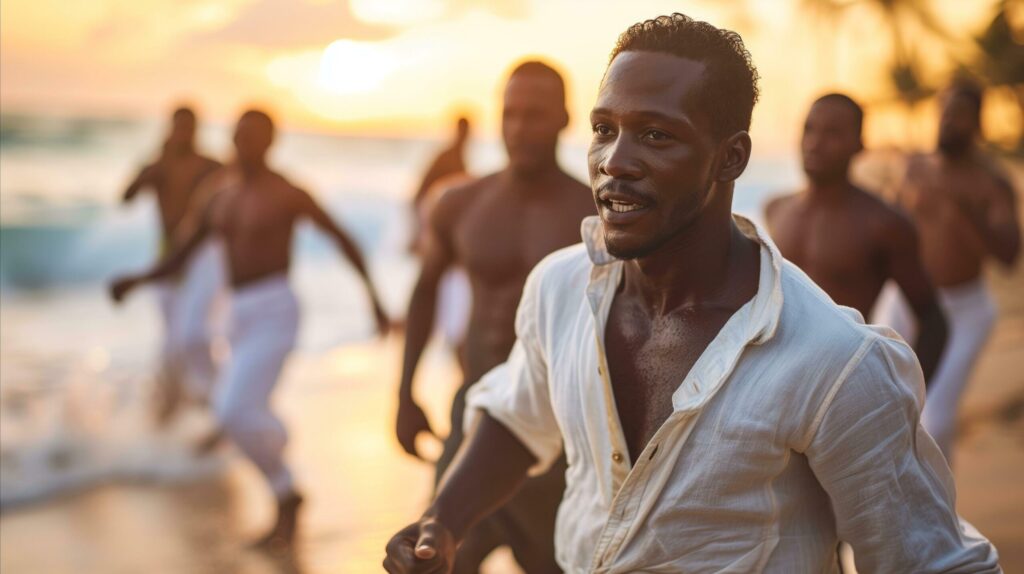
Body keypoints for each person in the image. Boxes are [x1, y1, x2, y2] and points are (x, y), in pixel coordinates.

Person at [384, 14, 1000, 573]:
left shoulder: (835, 362)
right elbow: (520, 417)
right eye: (606, 129)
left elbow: (934, 562)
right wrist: (444, 519)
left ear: (729, 159)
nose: (614, 162)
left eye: (656, 135)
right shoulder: (561, 286)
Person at [111, 109, 389, 550]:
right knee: (235, 409)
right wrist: (139, 279)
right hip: (236, 315)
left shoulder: (287, 193)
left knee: (232, 412)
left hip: (275, 311)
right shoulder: (218, 196)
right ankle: (278, 451)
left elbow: (342, 238)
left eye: (254, 137)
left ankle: (286, 492)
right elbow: (181, 254)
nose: (245, 145)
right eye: (239, 136)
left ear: (271, 142)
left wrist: (374, 299)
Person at [394, 62, 594, 572]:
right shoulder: (461, 203)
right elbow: (424, 292)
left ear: (565, 118)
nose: (519, 128)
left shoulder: (593, 214)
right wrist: (404, 393)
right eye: (510, 114)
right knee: (436, 555)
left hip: (557, 433)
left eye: (535, 114)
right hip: (473, 412)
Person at [880, 82, 1021, 462]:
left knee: (936, 420)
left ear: (977, 125)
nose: (947, 122)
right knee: (884, 403)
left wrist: (966, 209)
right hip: (908, 300)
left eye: (958, 116)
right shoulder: (915, 168)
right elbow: (891, 229)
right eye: (943, 113)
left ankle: (935, 517)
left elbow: (1009, 255)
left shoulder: (990, 182)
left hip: (965, 310)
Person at [765, 93, 947, 383]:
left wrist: (905, 396)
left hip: (841, 382)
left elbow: (934, 322)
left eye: (832, 133)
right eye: (809, 129)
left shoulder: (883, 223)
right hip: (775, 377)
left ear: (859, 145)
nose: (815, 142)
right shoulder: (775, 210)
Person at [122, 106, 224, 423]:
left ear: (196, 129)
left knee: (191, 333)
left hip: (202, 255)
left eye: (188, 127)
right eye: (178, 127)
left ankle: (216, 399)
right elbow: (126, 198)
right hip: (167, 254)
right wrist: (147, 171)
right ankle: (170, 408)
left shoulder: (211, 166)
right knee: (170, 341)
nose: (183, 133)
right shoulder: (157, 166)